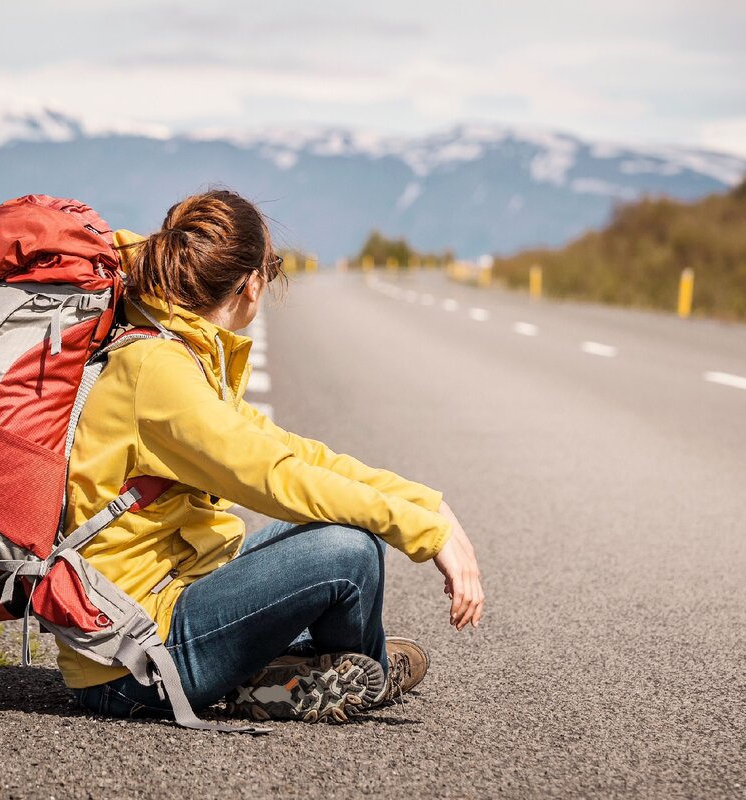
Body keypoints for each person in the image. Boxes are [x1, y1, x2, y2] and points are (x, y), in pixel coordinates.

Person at [64, 189, 485, 723]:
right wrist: (423, 535)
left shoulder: (177, 349)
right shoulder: (158, 370)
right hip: (133, 660)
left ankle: (298, 673)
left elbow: (292, 451)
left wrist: (425, 505)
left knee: (351, 536)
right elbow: (273, 476)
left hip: (173, 599)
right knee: (349, 553)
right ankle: (350, 672)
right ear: (252, 282)